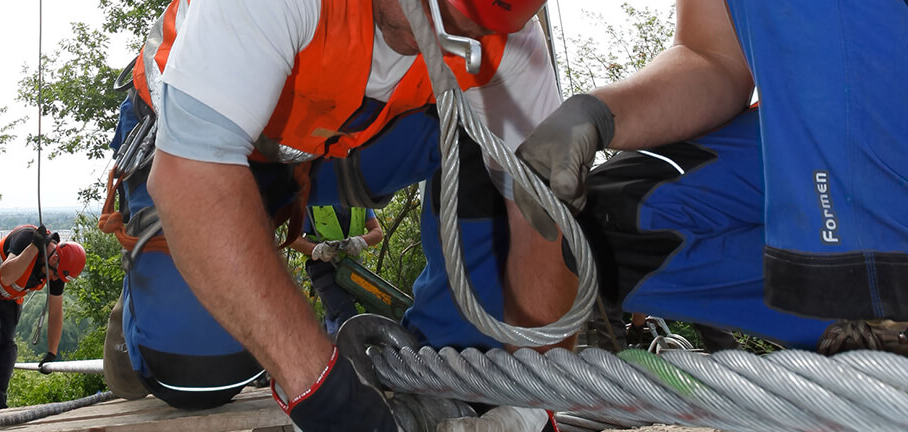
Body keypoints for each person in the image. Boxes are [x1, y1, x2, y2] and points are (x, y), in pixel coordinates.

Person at [95, 0, 575, 429]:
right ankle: (143, 301)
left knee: (508, 149)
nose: (437, 32)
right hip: (196, 148)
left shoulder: (505, 40)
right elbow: (194, 174)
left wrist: (539, 394)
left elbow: (544, 216)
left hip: (337, 146)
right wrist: (326, 395)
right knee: (196, 376)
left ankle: (449, 356)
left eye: (466, 28)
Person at [515, 0, 908, 354]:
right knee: (615, 221)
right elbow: (713, 59)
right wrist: (592, 115)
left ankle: (896, 297)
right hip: (893, 141)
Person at [0, 225, 87, 411]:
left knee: (7, 348)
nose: (54, 280)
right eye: (54, 274)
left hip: (8, 296)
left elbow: (55, 313)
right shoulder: (27, 237)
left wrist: (52, 352)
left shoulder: (58, 271)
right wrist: (33, 248)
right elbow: (6, 275)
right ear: (53, 258)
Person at [289, 205, 385, 337]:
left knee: (336, 314)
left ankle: (324, 348)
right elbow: (293, 238)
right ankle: (347, 354)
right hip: (321, 267)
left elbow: (377, 232)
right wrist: (316, 249)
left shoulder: (360, 199)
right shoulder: (312, 201)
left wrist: (361, 241)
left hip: (350, 268)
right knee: (344, 314)